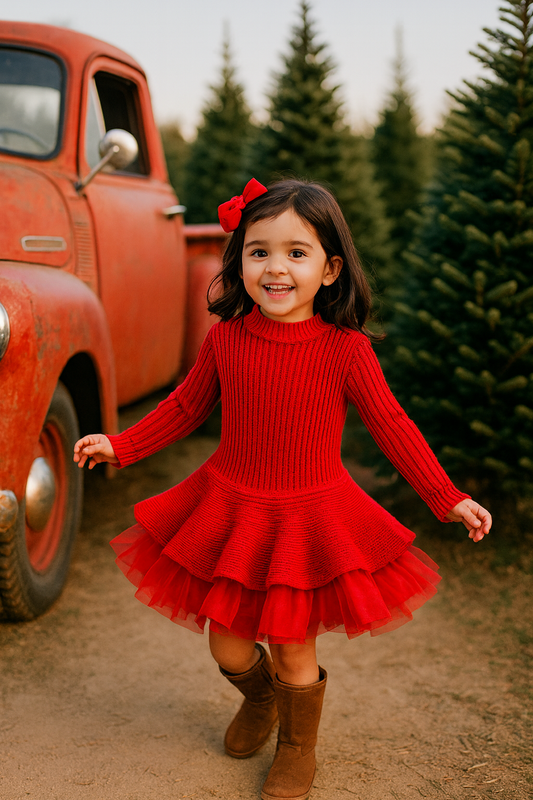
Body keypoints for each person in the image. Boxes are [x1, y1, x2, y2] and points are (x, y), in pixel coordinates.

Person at [73, 178, 491, 800]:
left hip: (307, 515)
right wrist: (123, 444)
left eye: (297, 253)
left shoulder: (346, 351)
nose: (276, 267)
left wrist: (445, 496)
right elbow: (186, 408)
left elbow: (392, 426)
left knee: (294, 644)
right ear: (239, 261)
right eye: (258, 250)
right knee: (231, 642)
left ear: (330, 270)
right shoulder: (226, 340)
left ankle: (298, 744)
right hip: (232, 503)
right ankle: (261, 699)